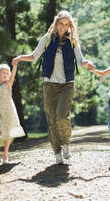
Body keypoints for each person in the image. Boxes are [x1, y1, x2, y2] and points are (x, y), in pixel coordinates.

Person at [12, 10, 93, 164]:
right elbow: (34, 56)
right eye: (60, 24)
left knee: (62, 116)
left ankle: (66, 142)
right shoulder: (47, 39)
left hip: (67, 85)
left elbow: (80, 60)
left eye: (66, 24)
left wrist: (87, 63)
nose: (63, 27)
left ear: (70, 26)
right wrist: (20, 58)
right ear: (56, 24)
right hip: (50, 84)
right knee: (51, 118)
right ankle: (57, 152)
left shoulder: (73, 41)